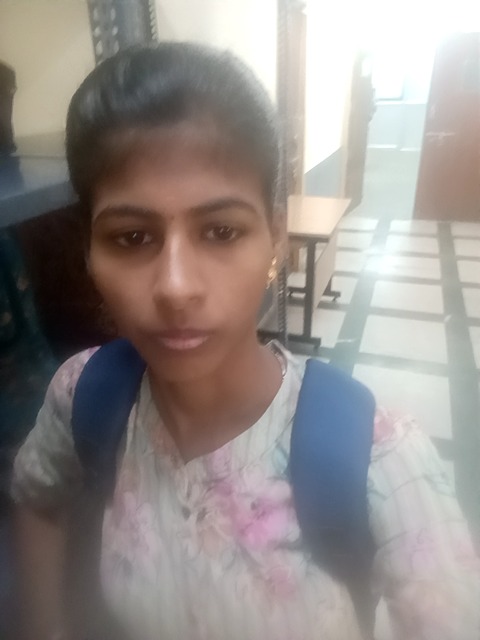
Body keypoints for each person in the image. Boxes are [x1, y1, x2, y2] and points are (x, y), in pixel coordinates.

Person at [10, 43, 480, 640]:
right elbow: (38, 496)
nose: (176, 287)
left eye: (221, 231)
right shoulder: (84, 393)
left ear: (276, 238)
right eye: (132, 238)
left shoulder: (379, 460)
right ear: (88, 252)